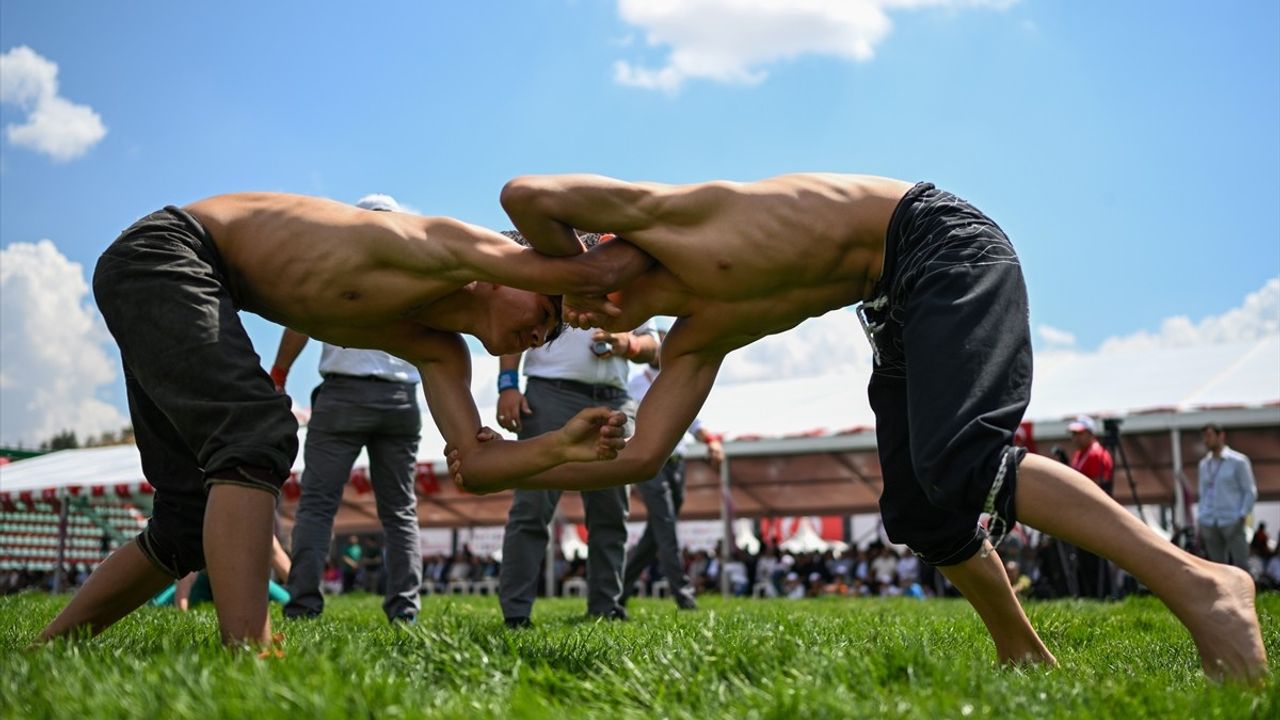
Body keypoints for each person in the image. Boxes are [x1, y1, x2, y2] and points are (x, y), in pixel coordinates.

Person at [452, 172, 1267, 681]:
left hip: (940, 244)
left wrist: (557, 266)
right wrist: (532, 460)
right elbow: (641, 457)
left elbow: (524, 194)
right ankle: (1021, 650)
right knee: (919, 510)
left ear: (593, 254)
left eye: (572, 299)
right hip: (892, 302)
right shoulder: (705, 329)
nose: (581, 317)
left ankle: (1205, 587)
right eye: (567, 320)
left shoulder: (672, 218)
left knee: (962, 463)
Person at [35, 191, 629, 648]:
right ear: (516, 269)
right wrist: (610, 271)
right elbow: (543, 233)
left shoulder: (437, 348)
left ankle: (49, 648)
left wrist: (559, 448)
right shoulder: (441, 245)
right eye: (548, 310)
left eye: (552, 333)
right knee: (256, 433)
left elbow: (473, 465)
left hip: (180, 281)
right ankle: (252, 654)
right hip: (170, 252)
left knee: (188, 523)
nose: (541, 333)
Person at [272, 193, 427, 624]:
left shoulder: (335, 264)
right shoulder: (416, 271)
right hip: (400, 399)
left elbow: (300, 318)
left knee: (318, 504)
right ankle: (405, 612)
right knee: (399, 510)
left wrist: (280, 373)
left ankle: (303, 605)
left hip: (343, 396)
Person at [496, 251, 658, 626]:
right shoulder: (552, 259)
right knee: (533, 507)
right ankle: (516, 614)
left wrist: (628, 344)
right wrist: (507, 385)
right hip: (550, 392)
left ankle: (606, 608)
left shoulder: (632, 273)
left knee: (611, 510)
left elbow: (656, 347)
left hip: (614, 398)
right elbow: (518, 320)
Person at [619, 332, 723, 611]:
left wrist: (712, 442)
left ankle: (620, 590)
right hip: (653, 465)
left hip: (677, 462)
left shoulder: (678, 379)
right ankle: (684, 595)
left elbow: (693, 421)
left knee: (658, 533)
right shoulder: (634, 386)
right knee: (665, 526)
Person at [1198, 423, 1258, 573]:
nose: (1206, 440)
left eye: (1209, 436)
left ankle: (1247, 595)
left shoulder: (1238, 461)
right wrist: (1201, 516)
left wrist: (1242, 515)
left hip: (1232, 520)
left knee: (1241, 566)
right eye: (1204, 437)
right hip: (1210, 520)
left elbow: (1249, 491)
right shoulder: (1204, 464)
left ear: (1221, 436)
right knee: (1218, 568)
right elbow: (1202, 493)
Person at [1067, 415, 1115, 599]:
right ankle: (1089, 595)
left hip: (1092, 514)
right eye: (1073, 434)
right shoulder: (1080, 454)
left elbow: (1093, 488)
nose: (1074, 438)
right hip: (1082, 514)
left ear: (1090, 433)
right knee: (1084, 559)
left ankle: (1101, 595)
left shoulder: (1096, 454)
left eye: (1078, 433)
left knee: (1094, 558)